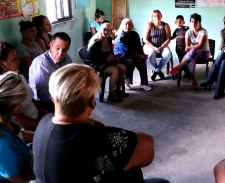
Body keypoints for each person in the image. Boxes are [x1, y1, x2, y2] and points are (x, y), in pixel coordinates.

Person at [32, 64, 170, 183]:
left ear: (53, 98)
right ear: (92, 102)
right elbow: (147, 151)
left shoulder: (44, 123)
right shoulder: (100, 140)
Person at [0, 71, 35, 182]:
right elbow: (21, 179)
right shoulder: (3, 143)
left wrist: (43, 137)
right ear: (16, 108)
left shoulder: (5, 115)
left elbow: (19, 134)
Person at [0, 42, 40, 130]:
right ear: (2, 64)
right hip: (28, 128)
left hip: (37, 118)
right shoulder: (5, 88)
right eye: (14, 59)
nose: (18, 61)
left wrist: (41, 109)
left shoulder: (17, 76)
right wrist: (42, 124)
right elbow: (17, 118)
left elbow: (30, 97)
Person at [29, 32, 72, 112]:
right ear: (50, 45)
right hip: (43, 102)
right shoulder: (41, 64)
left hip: (60, 94)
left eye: (64, 49)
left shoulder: (66, 58)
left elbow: (70, 77)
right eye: (57, 48)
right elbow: (42, 93)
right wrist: (64, 96)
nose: (60, 53)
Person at [170, 13, 211, 90]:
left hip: (205, 54)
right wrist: (190, 48)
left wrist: (190, 47)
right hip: (194, 54)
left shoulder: (203, 31)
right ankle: (194, 82)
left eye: (196, 22)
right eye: (192, 21)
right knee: (191, 61)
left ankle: (179, 66)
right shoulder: (188, 32)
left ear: (200, 22)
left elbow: (200, 46)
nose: (193, 23)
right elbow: (186, 49)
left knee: (193, 50)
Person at [88, 23, 126, 102]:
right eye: (104, 30)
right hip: (97, 64)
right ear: (100, 30)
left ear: (111, 32)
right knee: (115, 70)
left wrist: (112, 57)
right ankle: (111, 95)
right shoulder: (96, 42)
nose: (106, 32)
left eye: (108, 30)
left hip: (107, 62)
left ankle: (117, 90)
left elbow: (111, 52)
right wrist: (105, 59)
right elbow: (91, 58)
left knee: (122, 67)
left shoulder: (109, 39)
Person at [114, 18, 152, 92]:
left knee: (141, 61)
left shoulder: (135, 34)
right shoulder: (120, 37)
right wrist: (141, 56)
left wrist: (142, 54)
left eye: (129, 24)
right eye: (126, 24)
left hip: (134, 54)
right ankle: (127, 82)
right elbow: (128, 51)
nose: (128, 26)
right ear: (122, 26)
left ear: (132, 26)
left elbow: (139, 46)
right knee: (130, 62)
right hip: (123, 56)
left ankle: (144, 84)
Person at [143, 10, 172, 81]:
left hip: (162, 46)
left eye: (158, 15)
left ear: (161, 16)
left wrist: (161, 47)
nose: (157, 17)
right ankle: (158, 70)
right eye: (155, 15)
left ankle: (156, 71)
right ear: (152, 17)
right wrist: (154, 47)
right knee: (150, 54)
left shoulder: (166, 25)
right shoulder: (149, 24)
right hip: (150, 46)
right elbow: (145, 39)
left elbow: (168, 39)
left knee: (168, 54)